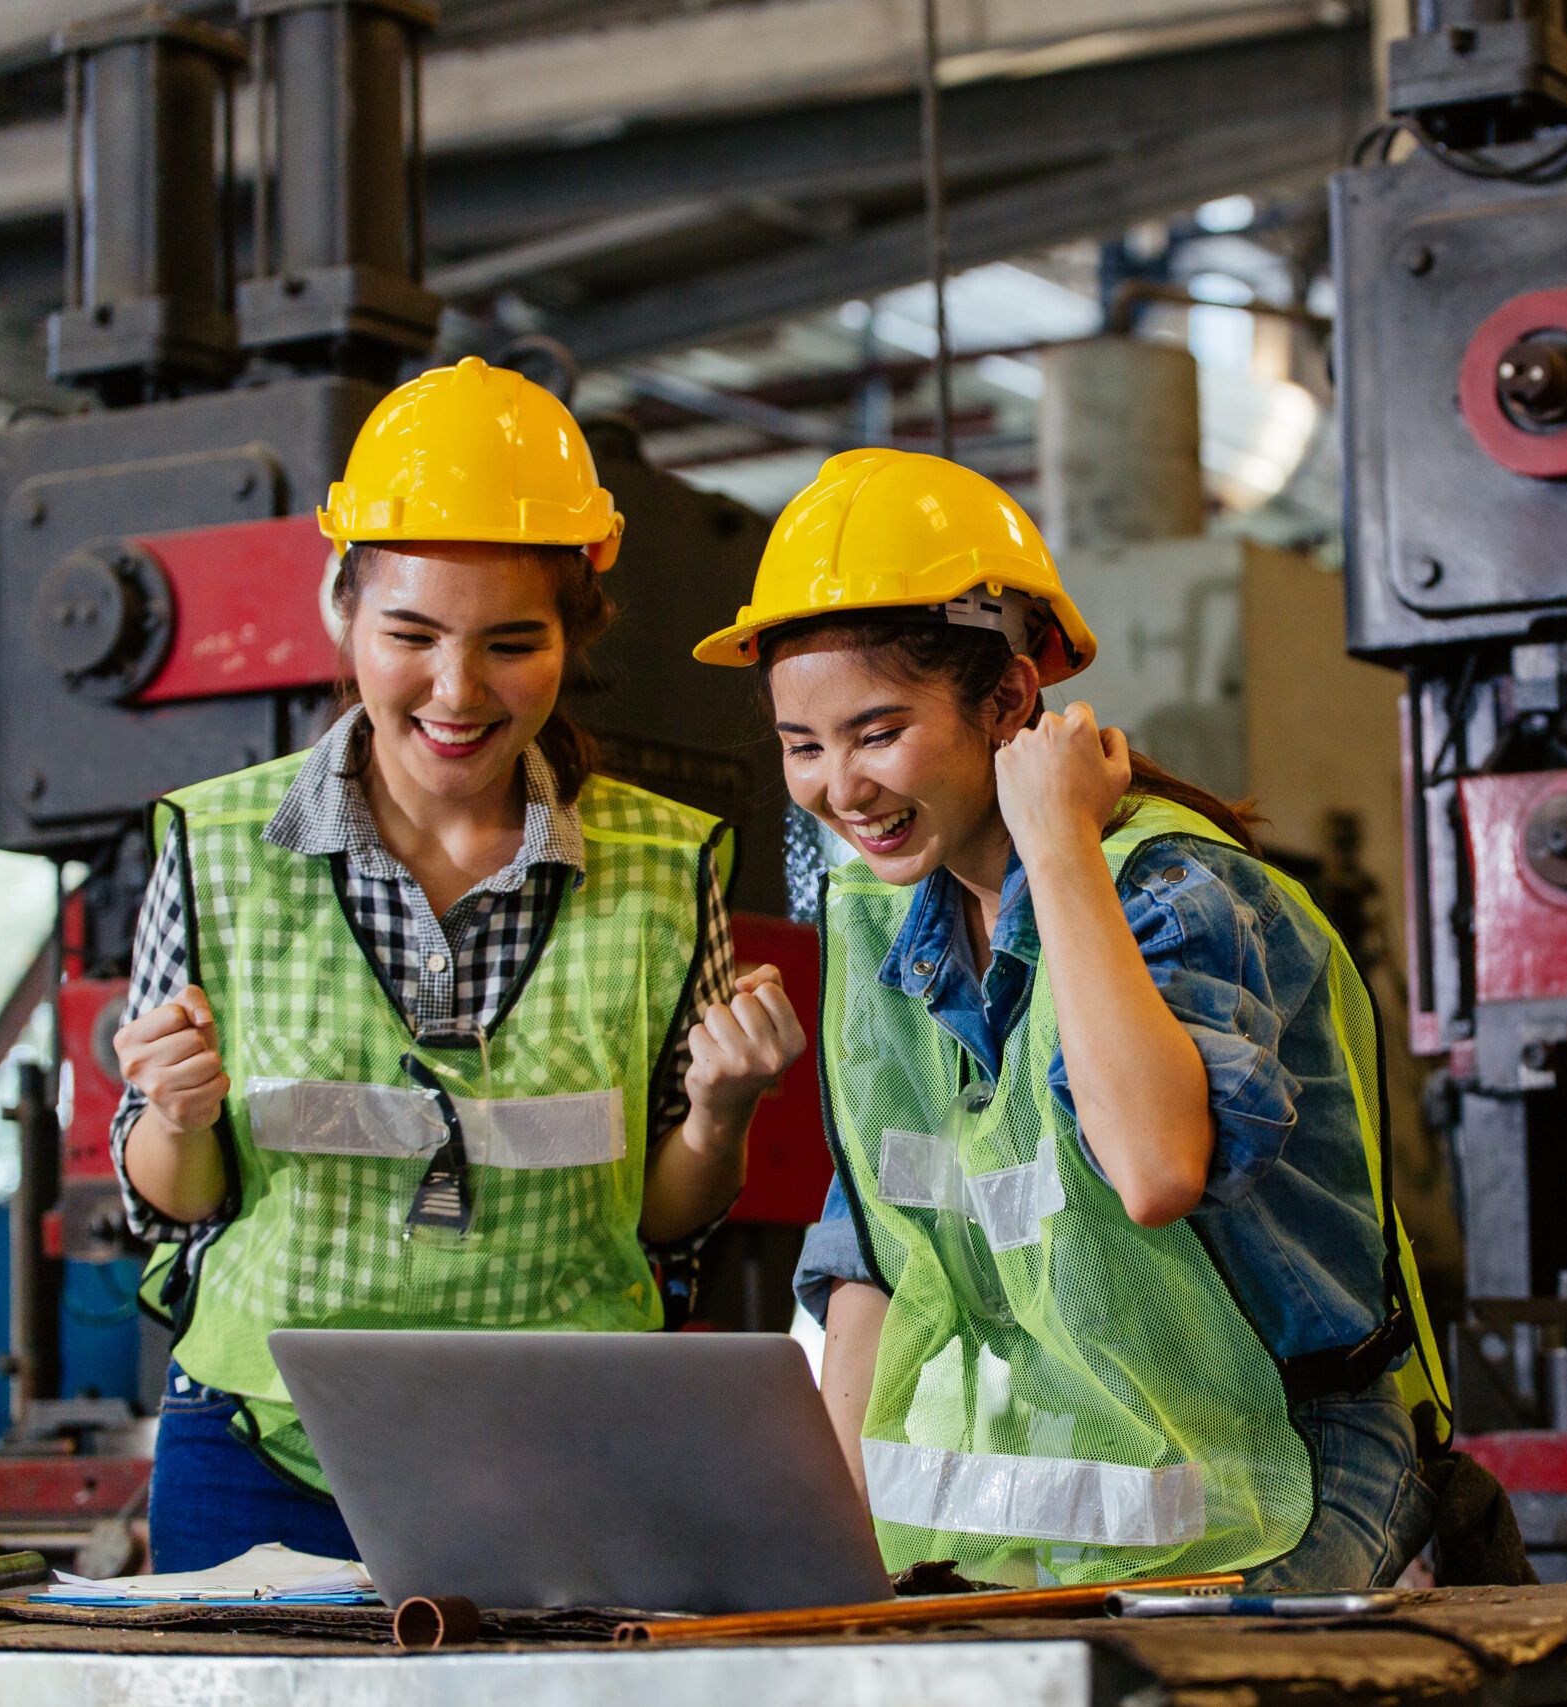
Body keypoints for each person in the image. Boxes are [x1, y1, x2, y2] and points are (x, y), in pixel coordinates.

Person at [695, 448, 1454, 1589]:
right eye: (804, 746)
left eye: (878, 731)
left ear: (1008, 701)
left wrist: (1056, 846)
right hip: (1080, 1455)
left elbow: (1152, 1170)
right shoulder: (885, 922)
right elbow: (872, 1264)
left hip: (1286, 1459)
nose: (837, 788)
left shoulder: (1172, 892)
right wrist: (825, 1570)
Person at [112, 357, 805, 1571]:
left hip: (571, 1444)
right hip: (259, 1453)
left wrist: (721, 1109)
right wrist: (175, 1110)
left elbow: (660, 1223)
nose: (455, 689)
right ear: (341, 613)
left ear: (576, 633)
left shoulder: (661, 865)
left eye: (511, 643)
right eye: (410, 634)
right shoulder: (213, 846)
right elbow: (175, 1195)